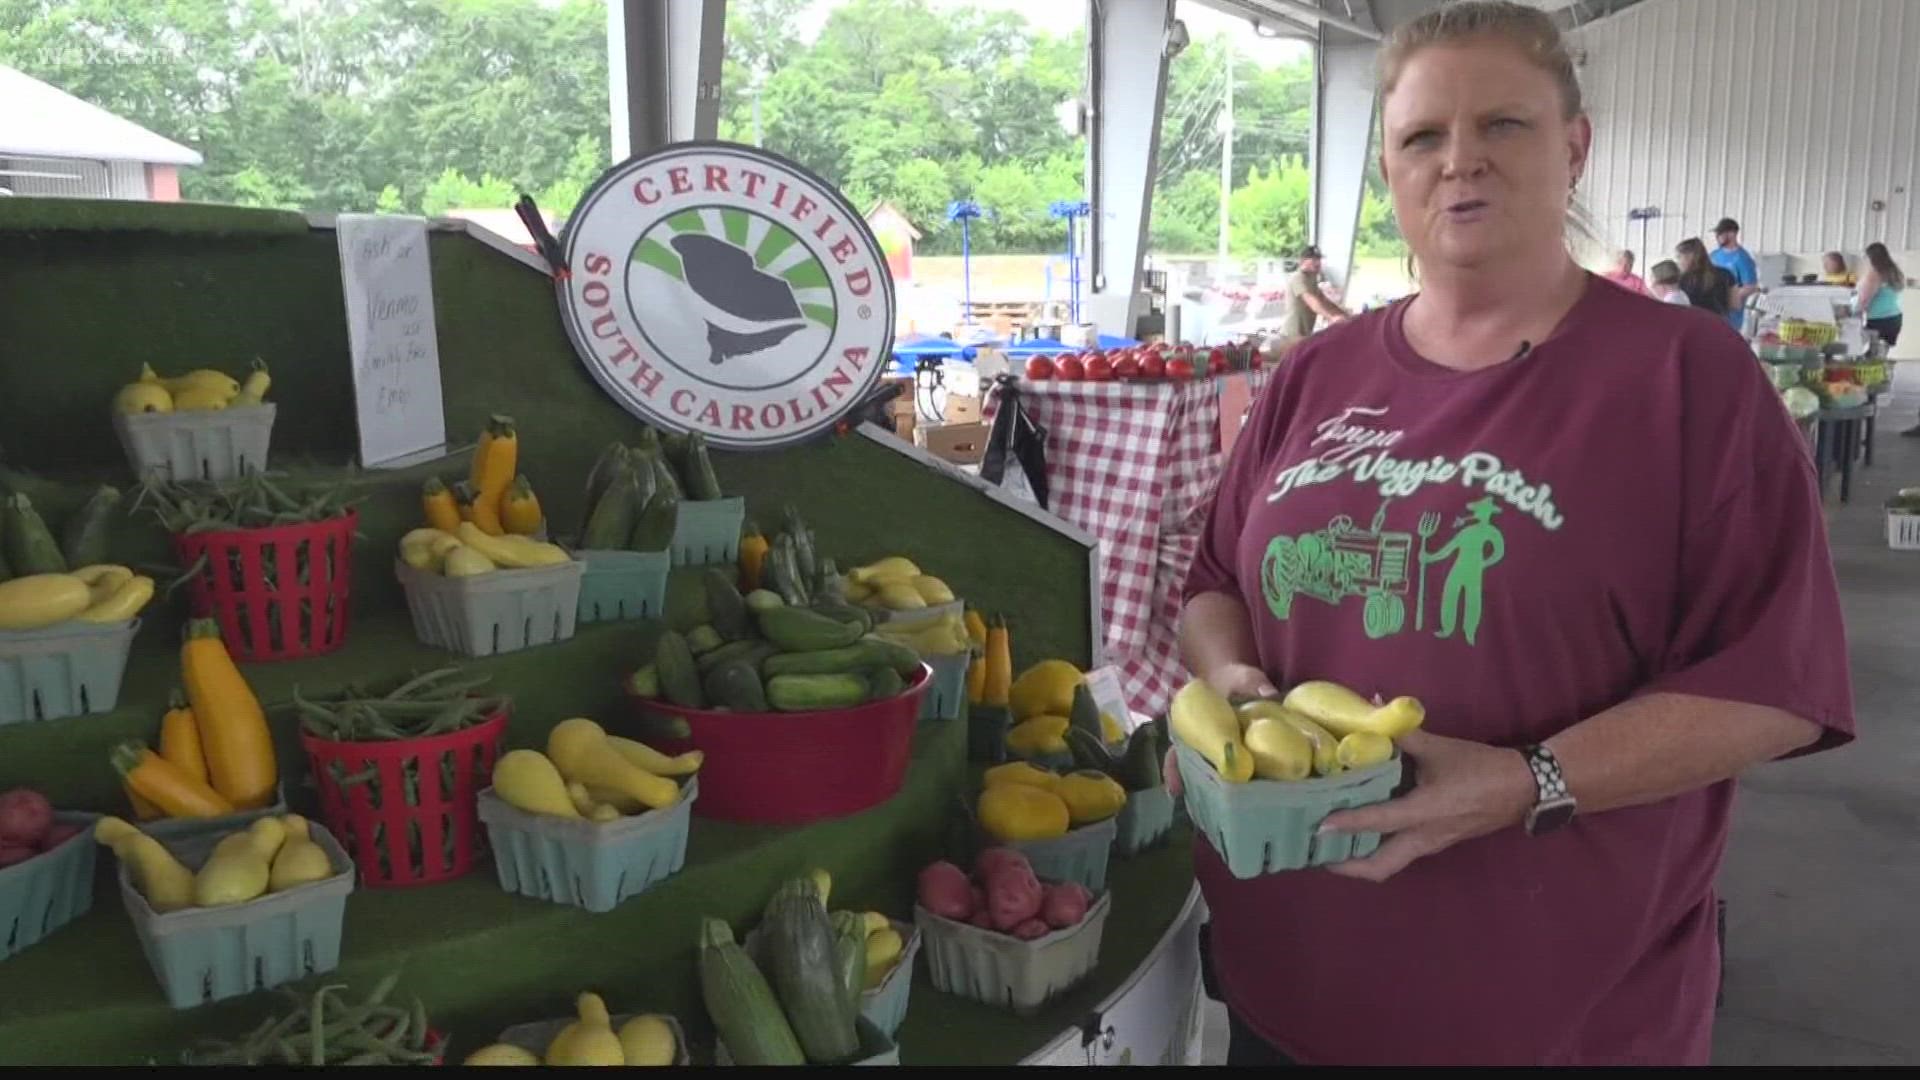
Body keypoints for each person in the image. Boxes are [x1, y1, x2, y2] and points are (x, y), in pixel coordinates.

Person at [1171, 0, 1852, 1066]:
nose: (1460, 163)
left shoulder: (1685, 378)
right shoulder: (1316, 372)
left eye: (1504, 125)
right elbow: (1214, 580)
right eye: (1423, 138)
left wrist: (1524, 782)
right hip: (1290, 976)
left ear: (1574, 147)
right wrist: (1241, 693)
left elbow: (1774, 685)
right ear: (1388, 169)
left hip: (1557, 1006)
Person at [1281, 245, 1351, 343]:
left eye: (1318, 259)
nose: (1318, 263)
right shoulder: (1297, 278)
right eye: (1313, 259)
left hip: (1305, 333)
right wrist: (1331, 318)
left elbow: (1323, 300)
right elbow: (1312, 301)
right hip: (1292, 335)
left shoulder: (1312, 278)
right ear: (1303, 260)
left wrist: (1343, 314)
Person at [1708, 217, 1761, 330]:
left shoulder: (1743, 258)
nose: (1717, 236)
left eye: (1721, 233)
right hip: (1712, 312)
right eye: (1717, 233)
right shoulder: (1713, 255)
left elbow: (1750, 287)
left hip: (1731, 318)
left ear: (1733, 234)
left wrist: (1727, 298)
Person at [1675, 237, 1735, 317]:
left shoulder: (1681, 279)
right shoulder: (1726, 273)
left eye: (1679, 257)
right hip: (1718, 323)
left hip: (1693, 323)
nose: (1677, 262)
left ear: (1690, 256)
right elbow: (1735, 304)